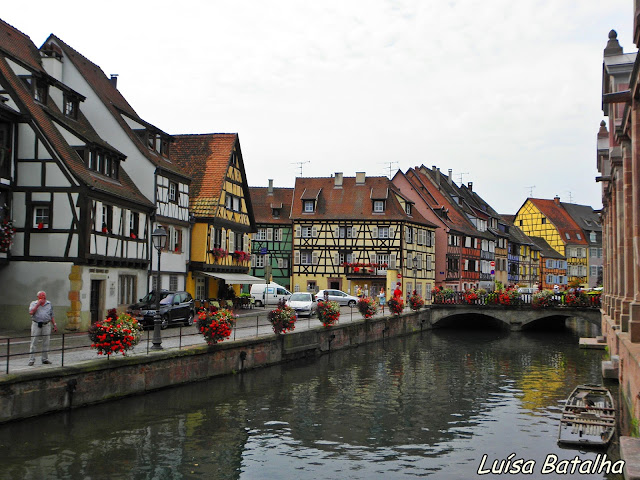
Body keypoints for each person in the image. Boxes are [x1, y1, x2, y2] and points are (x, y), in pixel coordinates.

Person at [28, 290, 57, 365]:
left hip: (46, 324)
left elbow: (51, 315)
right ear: (38, 297)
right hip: (36, 324)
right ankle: (31, 359)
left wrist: (54, 325)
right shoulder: (33, 303)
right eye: (42, 295)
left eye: (44, 295)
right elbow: (31, 312)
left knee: (46, 342)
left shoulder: (49, 304)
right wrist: (38, 305)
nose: (43, 297)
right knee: (34, 341)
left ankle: (45, 359)